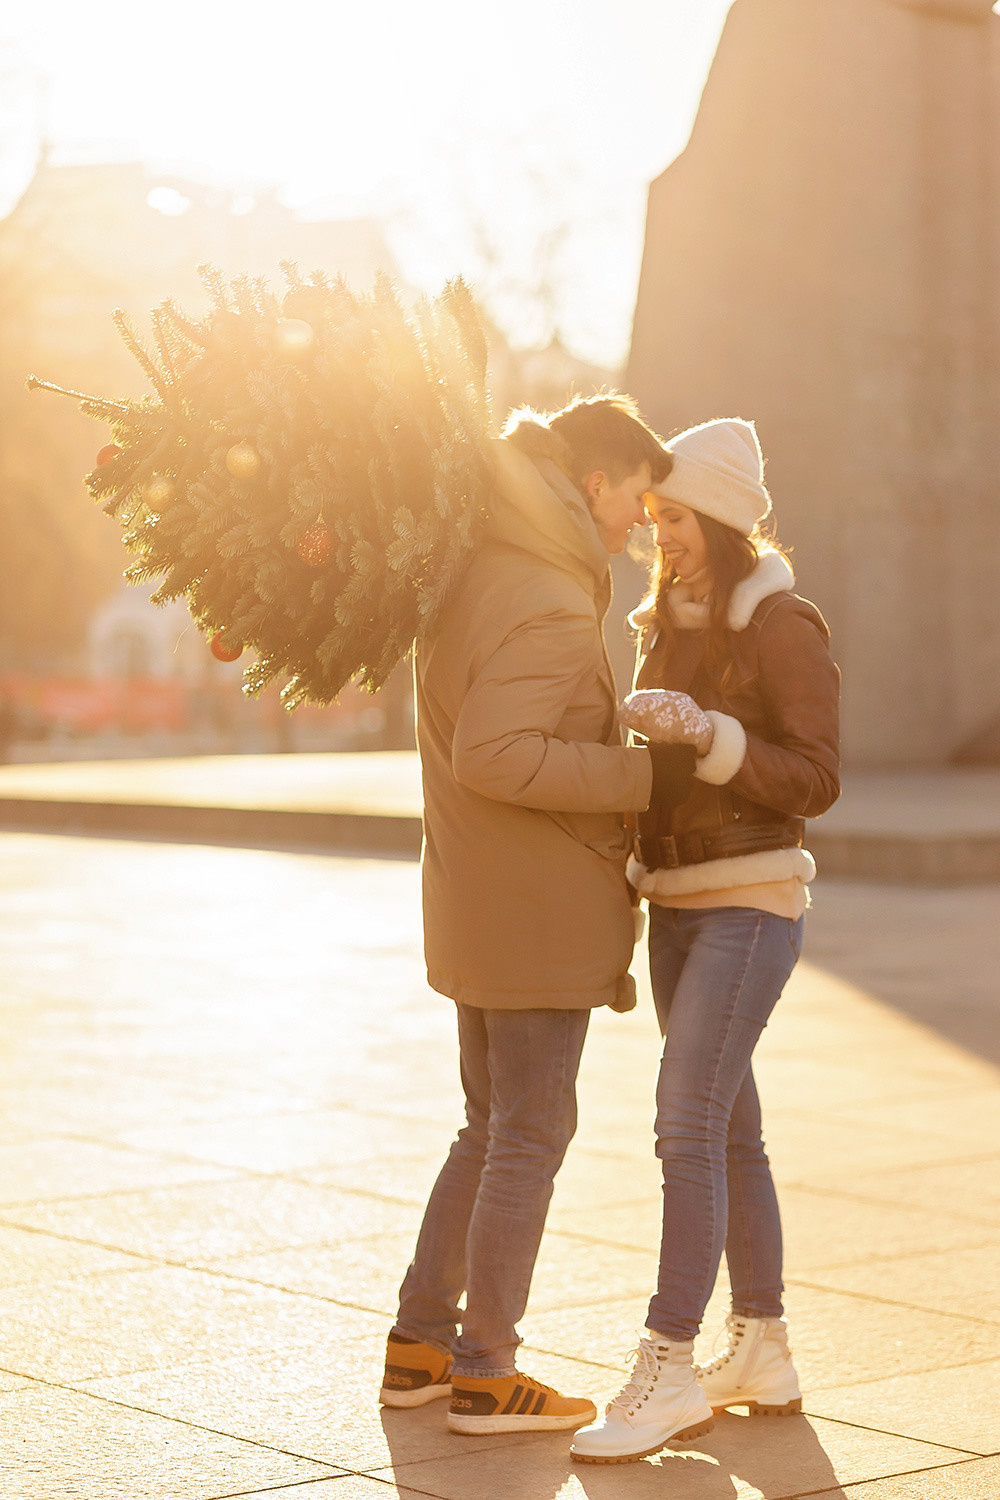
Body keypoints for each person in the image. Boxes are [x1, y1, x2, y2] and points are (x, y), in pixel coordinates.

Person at [378, 394, 690, 1436]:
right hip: (536, 908)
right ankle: (486, 1372)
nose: (640, 526)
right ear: (593, 483)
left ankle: (420, 1345)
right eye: (637, 502)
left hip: (476, 896)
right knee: (530, 1130)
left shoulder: (475, 562)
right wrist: (645, 781)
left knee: (488, 1125)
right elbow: (498, 755)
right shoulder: (551, 597)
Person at [570, 418, 840, 1464]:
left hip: (749, 900)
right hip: (674, 904)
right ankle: (761, 1345)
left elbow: (815, 776)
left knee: (684, 1127)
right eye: (652, 516)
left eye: (674, 516)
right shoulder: (665, 619)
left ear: (721, 520)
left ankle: (669, 1364)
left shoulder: (780, 622)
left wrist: (709, 735)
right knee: (730, 1135)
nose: (658, 533)